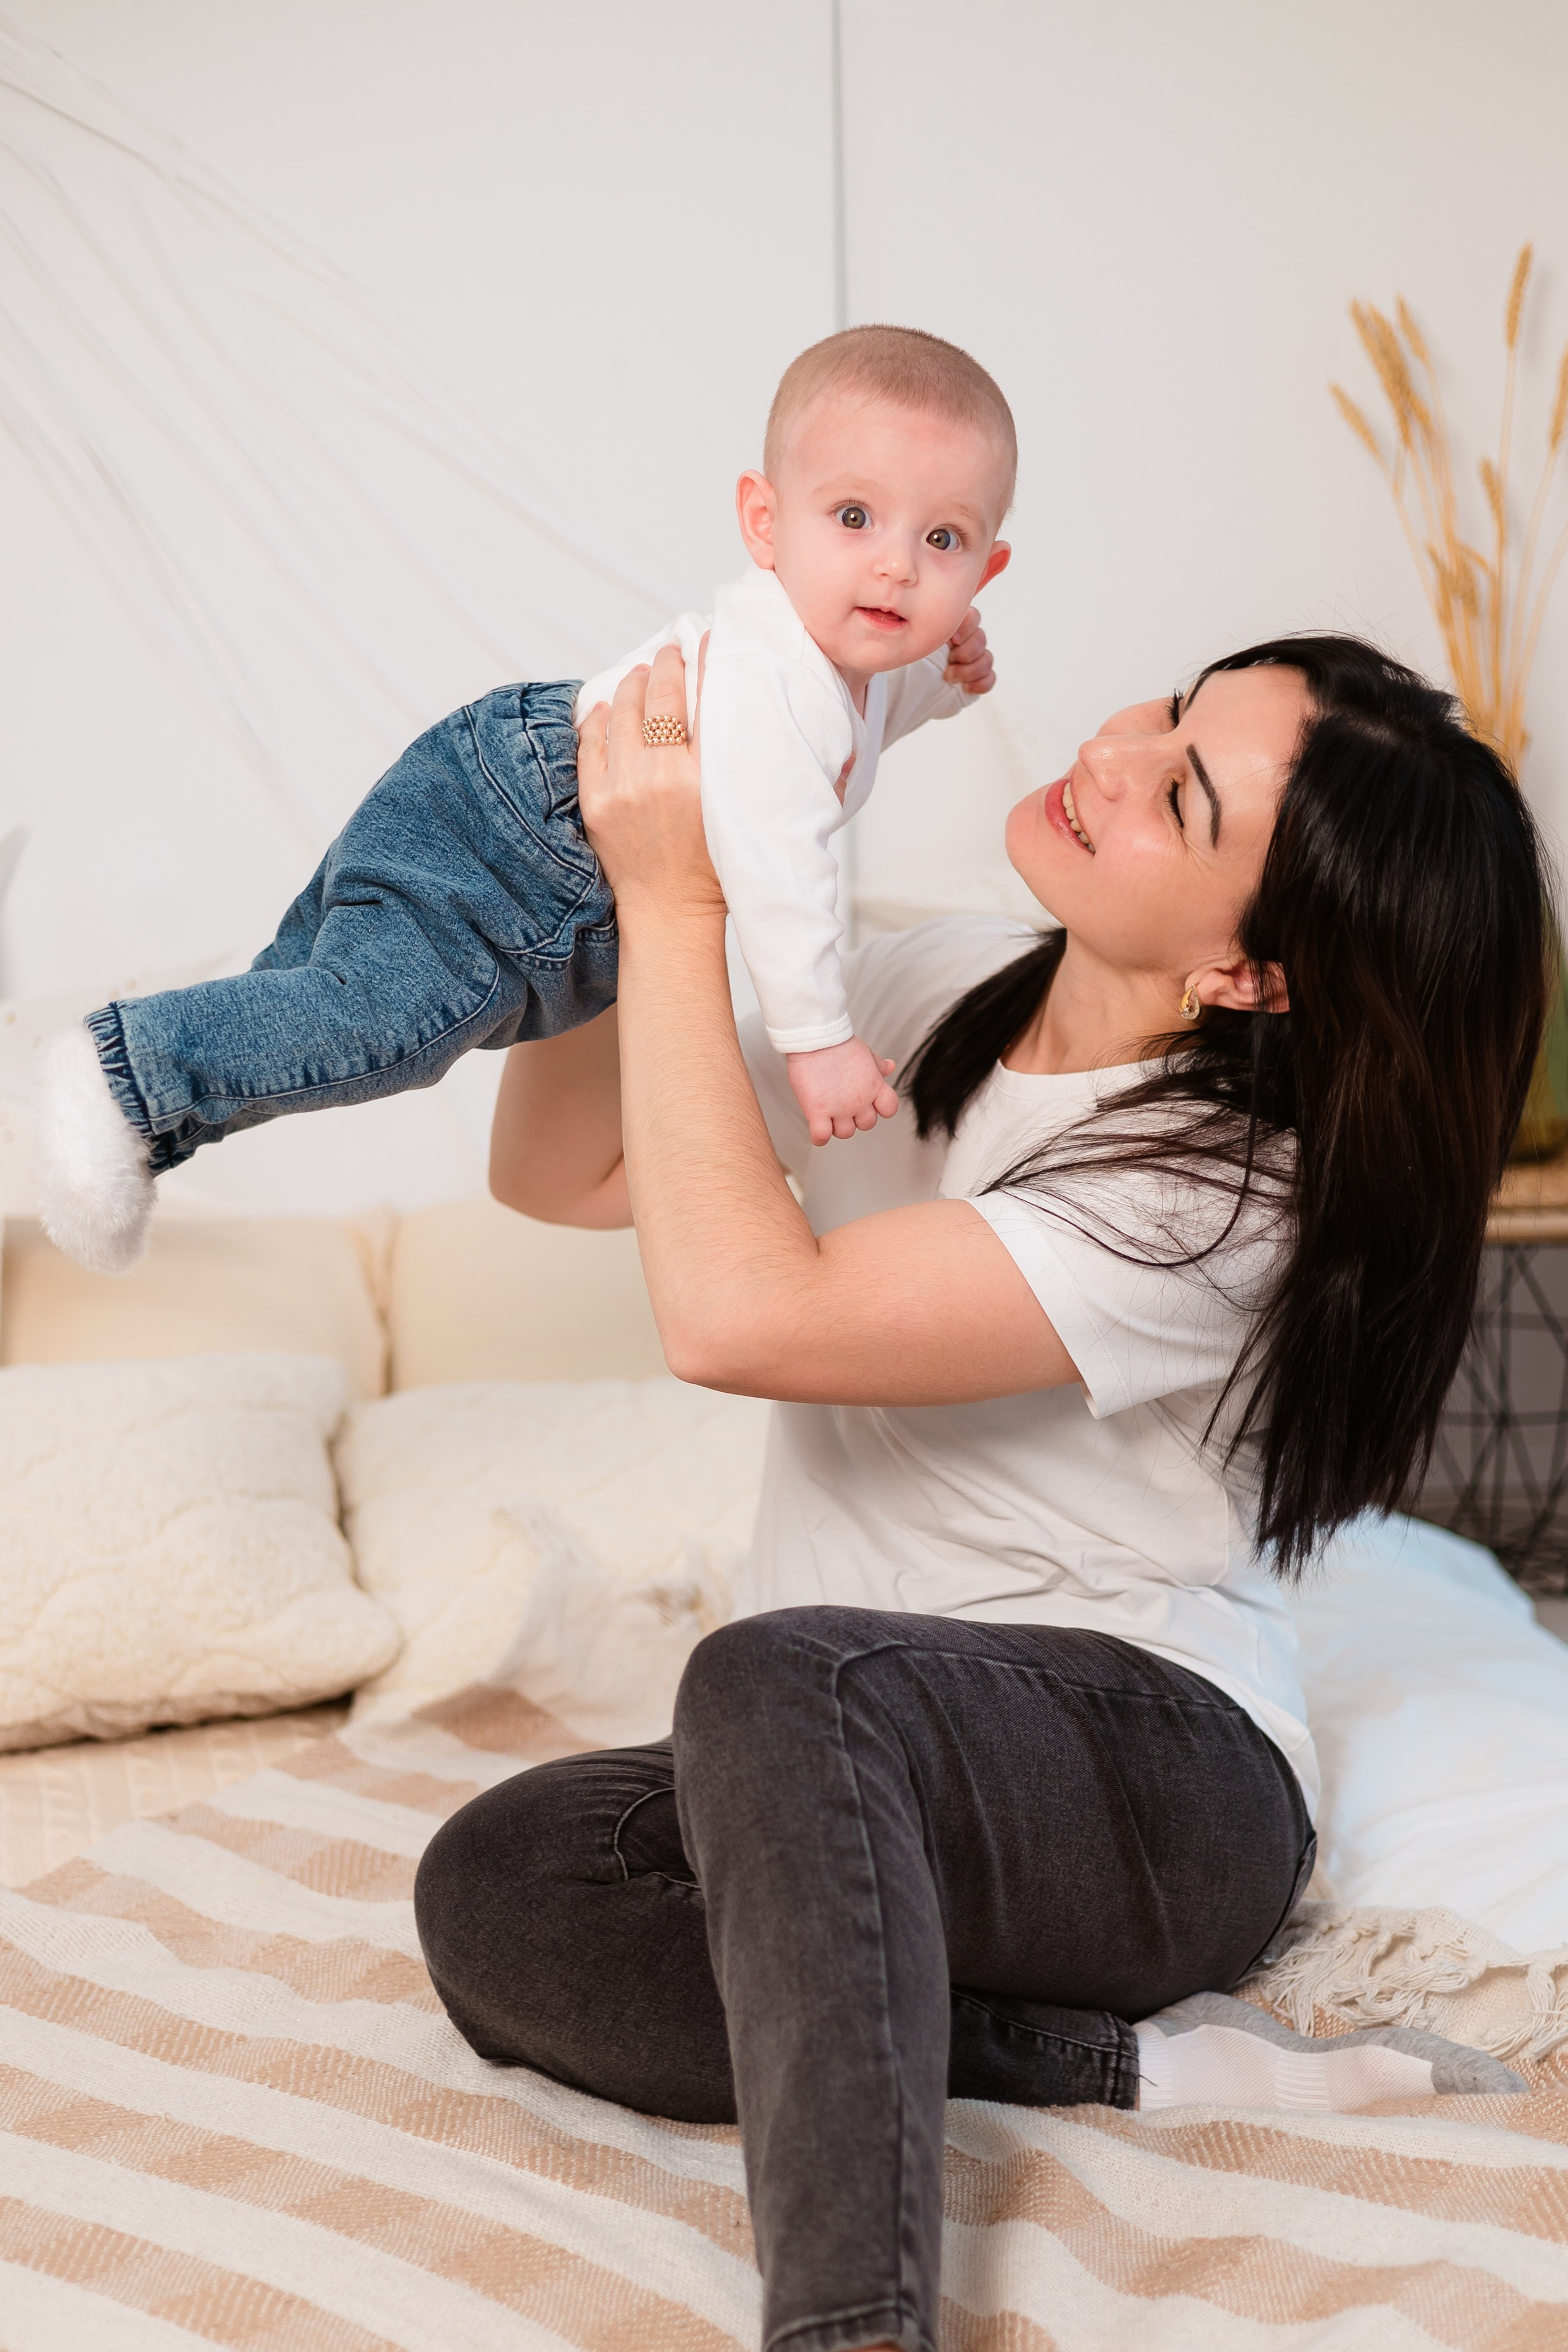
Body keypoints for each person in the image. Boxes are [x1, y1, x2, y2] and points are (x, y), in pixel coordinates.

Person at [415, 634, 1546, 2352]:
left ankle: (854, 2326)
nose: (1110, 751)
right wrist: (617, 884)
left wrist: (680, 903)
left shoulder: (1226, 1190)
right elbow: (558, 1169)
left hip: (1157, 1790)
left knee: (779, 1673)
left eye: (1181, 792)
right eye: (1167, 712)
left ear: (1251, 971)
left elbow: (740, 1319)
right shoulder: (930, 990)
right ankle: (1121, 2063)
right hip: (858, 1756)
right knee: (504, 1881)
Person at [34, 325, 1012, 1276]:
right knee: (387, 1026)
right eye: (854, 517)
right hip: (533, 845)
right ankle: (123, 1073)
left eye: (942, 538)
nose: (896, 565)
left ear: (985, 570)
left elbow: (863, 725)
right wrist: (820, 1043)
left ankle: (132, 1127)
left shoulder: (835, 667)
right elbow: (783, 872)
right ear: (765, 521)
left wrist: (945, 680)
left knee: (308, 998)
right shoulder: (779, 682)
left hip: (510, 773)